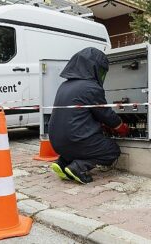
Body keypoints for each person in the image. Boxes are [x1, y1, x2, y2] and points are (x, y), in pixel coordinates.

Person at [48, 47, 129, 184]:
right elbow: (106, 115)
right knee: (112, 150)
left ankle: (62, 163)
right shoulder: (91, 87)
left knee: (78, 147)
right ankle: (78, 168)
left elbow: (80, 115)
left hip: (56, 143)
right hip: (76, 140)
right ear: (95, 68)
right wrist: (121, 127)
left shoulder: (64, 86)